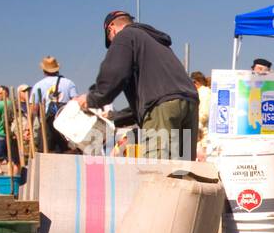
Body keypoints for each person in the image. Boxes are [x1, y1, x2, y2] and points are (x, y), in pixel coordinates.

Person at [76, 10, 199, 160]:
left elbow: (114, 73)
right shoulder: (155, 42)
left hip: (162, 107)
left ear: (111, 29)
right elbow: (150, 99)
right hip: (189, 102)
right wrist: (115, 117)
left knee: (158, 171)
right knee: (183, 170)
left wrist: (91, 98)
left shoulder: (124, 36)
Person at [31, 56, 77, 153]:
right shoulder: (69, 83)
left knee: (47, 152)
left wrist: (30, 125)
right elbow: (76, 102)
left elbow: (34, 109)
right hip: (65, 123)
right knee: (67, 151)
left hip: (47, 124)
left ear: (44, 70)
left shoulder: (38, 85)